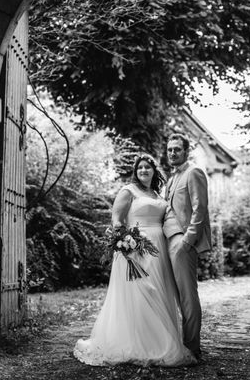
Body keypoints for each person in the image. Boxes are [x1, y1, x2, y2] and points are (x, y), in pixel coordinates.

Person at [73, 154, 196, 367]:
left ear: (153, 171)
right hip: (135, 249)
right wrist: (125, 244)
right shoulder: (128, 191)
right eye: (140, 168)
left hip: (159, 250)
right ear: (135, 171)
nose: (143, 171)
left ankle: (158, 341)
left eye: (147, 167)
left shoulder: (158, 194)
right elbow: (117, 220)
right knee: (141, 293)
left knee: (159, 292)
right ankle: (136, 344)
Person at [163, 133, 211, 361]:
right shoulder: (171, 178)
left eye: (177, 149)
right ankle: (180, 344)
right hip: (167, 241)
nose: (172, 153)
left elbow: (200, 209)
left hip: (182, 242)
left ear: (186, 151)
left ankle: (192, 348)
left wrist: (187, 241)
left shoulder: (194, 173)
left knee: (188, 296)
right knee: (174, 295)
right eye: (170, 149)